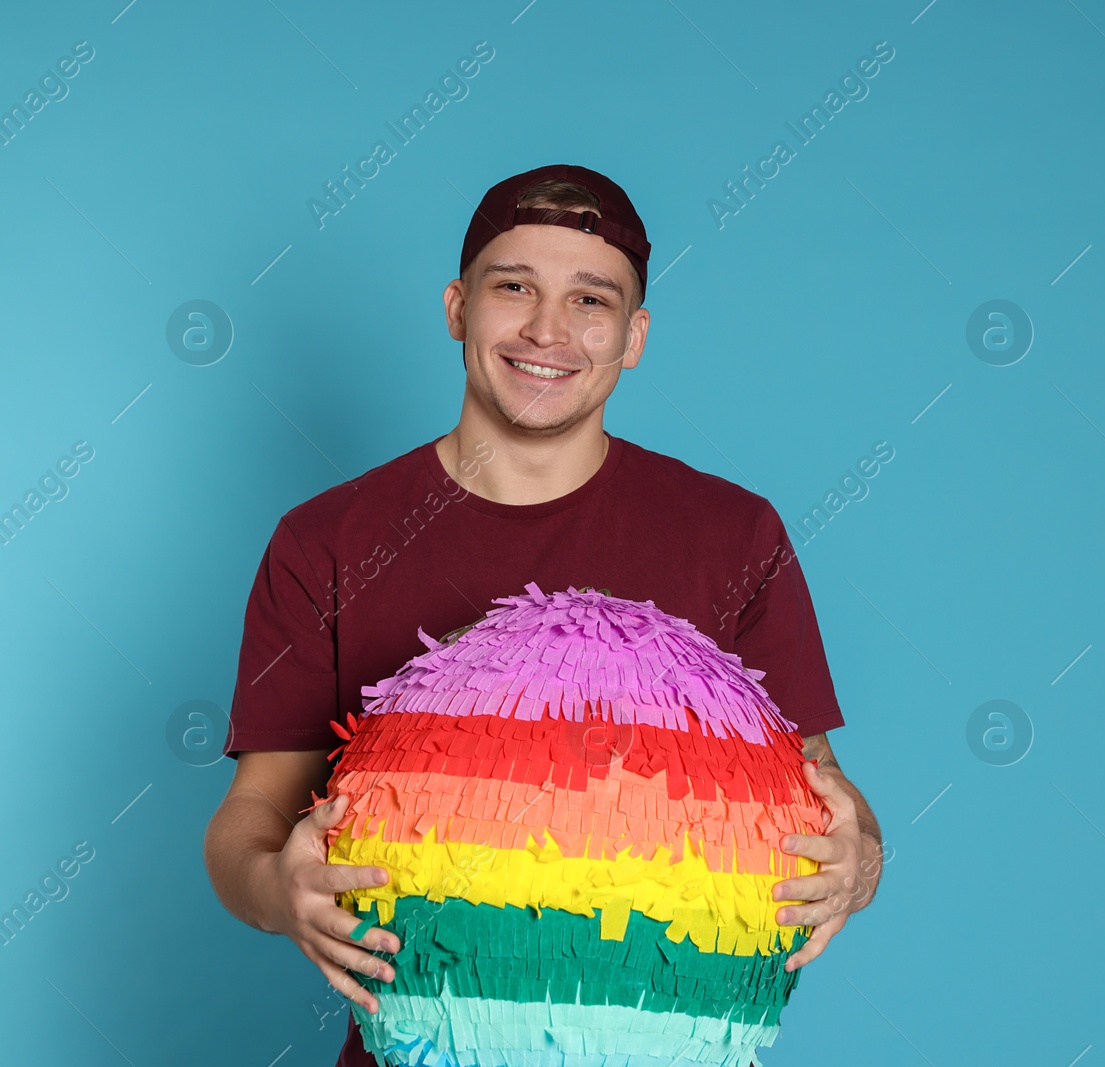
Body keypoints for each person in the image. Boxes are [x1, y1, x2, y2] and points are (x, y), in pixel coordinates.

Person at [202, 163, 884, 1067]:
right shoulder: (325, 539)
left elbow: (823, 792)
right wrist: (276, 888)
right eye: (513, 286)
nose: (547, 330)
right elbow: (249, 816)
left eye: (590, 299)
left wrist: (862, 858)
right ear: (456, 308)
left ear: (634, 336)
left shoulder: (734, 534)